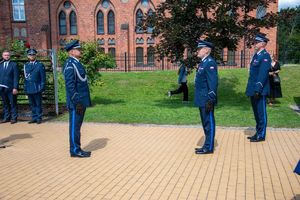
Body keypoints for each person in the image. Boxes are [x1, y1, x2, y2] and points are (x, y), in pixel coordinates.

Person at [63, 40, 92, 158]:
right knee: (75, 126)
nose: (80, 51)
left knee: (77, 126)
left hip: (80, 101)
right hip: (76, 102)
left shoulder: (76, 63)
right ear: (72, 52)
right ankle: (75, 150)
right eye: (78, 49)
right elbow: (70, 85)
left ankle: (77, 148)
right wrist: (77, 101)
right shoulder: (70, 64)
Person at [246, 33, 271, 142]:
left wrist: (258, 89)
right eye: (255, 42)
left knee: (261, 113)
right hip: (253, 89)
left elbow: (263, 74)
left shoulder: (265, 56)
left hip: (260, 90)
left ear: (263, 44)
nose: (254, 44)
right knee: (256, 113)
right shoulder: (256, 55)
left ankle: (261, 134)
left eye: (257, 42)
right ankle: (258, 132)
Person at [194, 40, 218, 154]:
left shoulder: (210, 63)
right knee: (205, 123)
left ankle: (209, 147)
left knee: (209, 122)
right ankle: (206, 144)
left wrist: (211, 99)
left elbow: (213, 82)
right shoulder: (203, 63)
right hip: (201, 98)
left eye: (200, 49)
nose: (197, 51)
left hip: (207, 99)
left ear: (207, 50)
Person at [24, 48, 46, 124]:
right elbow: (25, 78)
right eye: (30, 55)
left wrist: (42, 88)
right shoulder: (26, 65)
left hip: (37, 87)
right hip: (29, 87)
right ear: (28, 56)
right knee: (32, 104)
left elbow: (43, 78)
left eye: (33, 54)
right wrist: (25, 89)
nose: (32, 56)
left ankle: (39, 118)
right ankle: (34, 117)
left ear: (35, 55)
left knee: (38, 104)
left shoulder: (40, 65)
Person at [0, 50, 19, 124]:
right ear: (2, 56)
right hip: (1, 88)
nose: (6, 56)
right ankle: (6, 117)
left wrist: (15, 87)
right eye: (5, 55)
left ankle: (14, 118)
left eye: (7, 55)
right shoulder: (0, 64)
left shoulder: (14, 65)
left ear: (9, 56)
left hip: (11, 88)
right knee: (5, 103)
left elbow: (16, 77)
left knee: (13, 103)